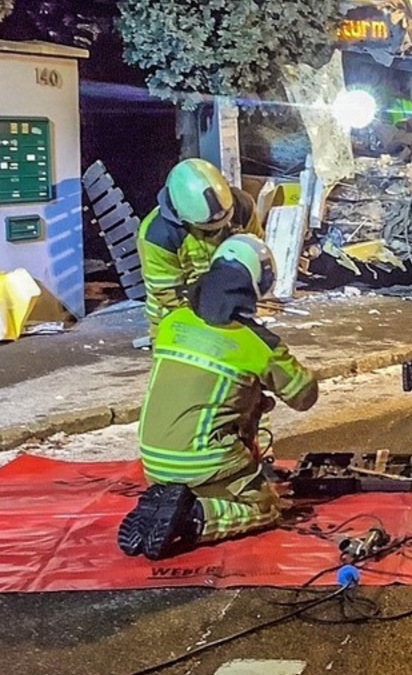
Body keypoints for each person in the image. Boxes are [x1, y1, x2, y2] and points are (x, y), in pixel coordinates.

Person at [118, 235, 318, 561]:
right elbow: (303, 395)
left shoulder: (172, 322)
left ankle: (173, 499)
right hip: (203, 460)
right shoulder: (257, 344)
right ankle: (193, 518)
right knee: (264, 506)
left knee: (231, 400)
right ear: (256, 284)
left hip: (152, 459)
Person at [137, 158, 264, 339]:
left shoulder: (242, 206)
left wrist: (240, 307)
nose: (219, 229)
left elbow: (254, 256)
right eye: (209, 227)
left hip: (229, 314)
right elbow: (168, 292)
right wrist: (210, 320)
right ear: (183, 216)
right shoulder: (157, 235)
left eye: (225, 220)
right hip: (176, 320)